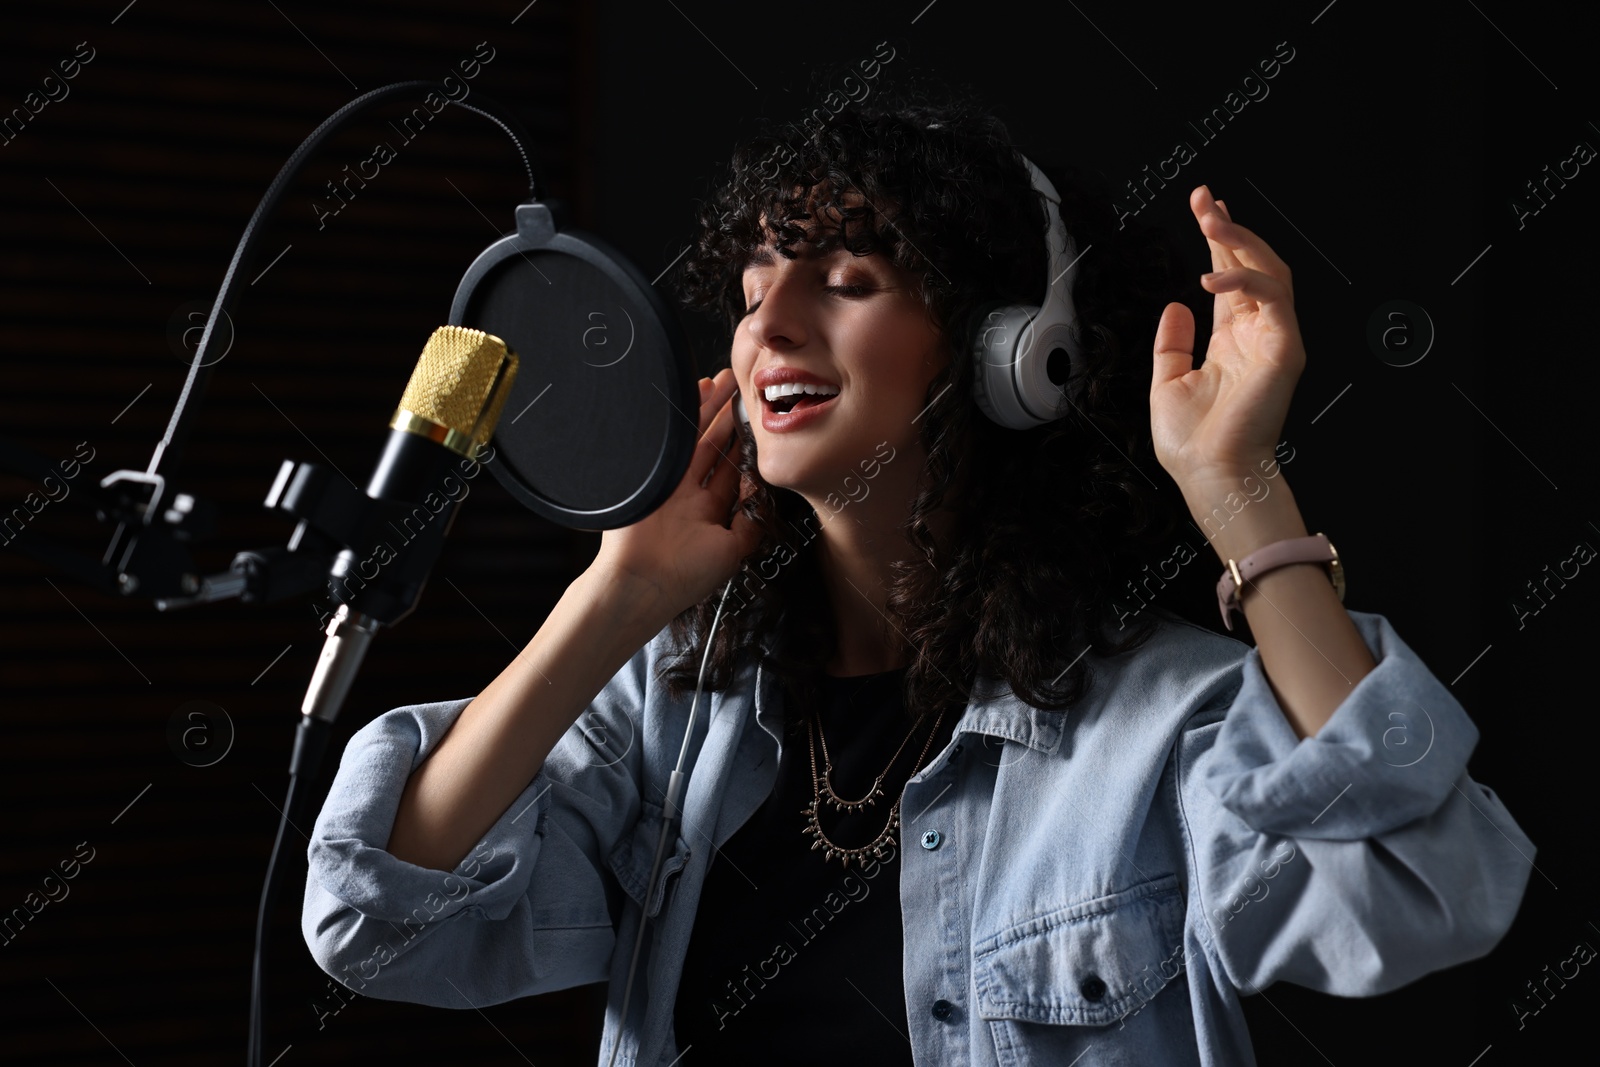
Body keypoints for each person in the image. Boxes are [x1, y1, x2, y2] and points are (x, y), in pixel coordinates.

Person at [301, 78, 1535, 1066]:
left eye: (847, 282)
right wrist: (612, 597)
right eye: (751, 288)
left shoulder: (1164, 726)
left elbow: (1418, 893)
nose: (772, 320)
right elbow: (374, 917)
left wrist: (1239, 490)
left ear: (1018, 354)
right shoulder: (675, 707)